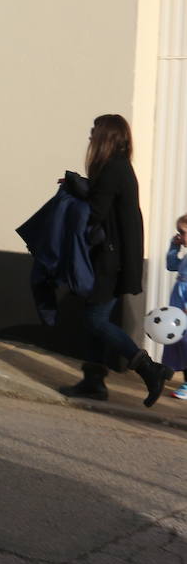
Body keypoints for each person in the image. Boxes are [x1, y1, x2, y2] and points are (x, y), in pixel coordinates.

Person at [59, 114, 174, 407]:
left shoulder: (113, 169)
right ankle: (93, 381)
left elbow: (95, 212)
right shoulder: (117, 168)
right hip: (113, 258)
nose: (90, 137)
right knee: (95, 319)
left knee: (95, 319)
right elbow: (103, 203)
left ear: (106, 137)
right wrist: (80, 186)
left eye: (94, 132)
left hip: (110, 260)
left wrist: (76, 191)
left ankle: (148, 368)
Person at [163, 213, 187, 399]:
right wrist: (173, 247)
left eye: (183, 232)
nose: (180, 236)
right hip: (178, 303)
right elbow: (172, 265)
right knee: (179, 341)